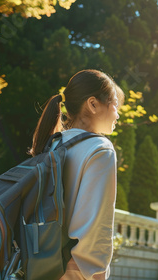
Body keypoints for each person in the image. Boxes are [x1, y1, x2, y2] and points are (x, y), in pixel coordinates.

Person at [29, 69, 123, 279]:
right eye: (115, 103)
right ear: (93, 104)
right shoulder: (100, 149)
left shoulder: (52, 144)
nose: (118, 113)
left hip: (38, 267)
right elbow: (93, 236)